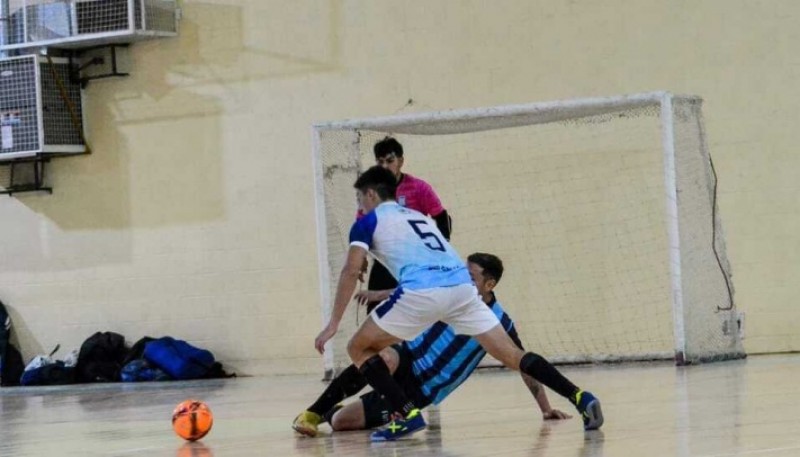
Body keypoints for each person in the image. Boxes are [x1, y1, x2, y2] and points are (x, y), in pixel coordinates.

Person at [314, 165, 604, 441]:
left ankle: (406, 413)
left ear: (371, 194)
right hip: (462, 288)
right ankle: (580, 396)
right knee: (514, 355)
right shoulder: (417, 217)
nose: (360, 206)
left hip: (423, 292)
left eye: (360, 199)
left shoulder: (367, 222)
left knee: (358, 346)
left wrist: (332, 325)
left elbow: (350, 271)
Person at [292, 253, 571, 437]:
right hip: (407, 358)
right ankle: (315, 411)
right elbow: (416, 292)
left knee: (341, 423)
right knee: (382, 356)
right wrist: (378, 293)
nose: (462, 280)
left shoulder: (500, 323)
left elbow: (524, 365)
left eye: (470, 277)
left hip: (422, 389)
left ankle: (334, 412)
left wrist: (545, 409)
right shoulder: (450, 294)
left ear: (490, 284)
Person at [362, 137, 452, 313]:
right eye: (380, 162)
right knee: (375, 311)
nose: (385, 166)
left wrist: (440, 253)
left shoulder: (419, 188)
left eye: (390, 160)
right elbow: (363, 226)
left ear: (401, 161)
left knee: (416, 311)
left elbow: (442, 218)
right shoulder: (371, 192)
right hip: (385, 261)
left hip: (415, 261)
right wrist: (361, 257)